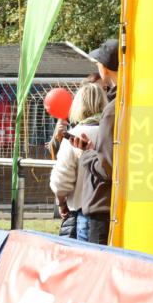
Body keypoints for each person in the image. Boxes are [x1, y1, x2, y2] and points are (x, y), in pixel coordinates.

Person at [71, 39, 119, 245]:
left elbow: (107, 168)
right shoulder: (124, 102)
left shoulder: (112, 109)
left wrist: (86, 155)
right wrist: (93, 149)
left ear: (105, 67)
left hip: (102, 209)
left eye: (98, 62)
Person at [50, 83, 107, 240]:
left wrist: (61, 204)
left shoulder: (74, 137)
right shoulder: (113, 133)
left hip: (83, 213)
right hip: (112, 214)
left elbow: (61, 181)